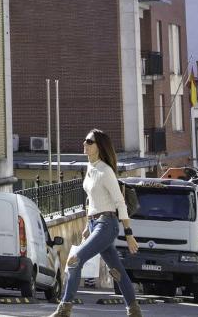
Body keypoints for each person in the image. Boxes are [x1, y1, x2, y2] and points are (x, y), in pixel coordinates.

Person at [49, 129, 141, 317]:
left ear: (99, 146)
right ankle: (134, 311)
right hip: (94, 224)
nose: (85, 144)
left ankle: (64, 310)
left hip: (107, 224)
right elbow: (91, 200)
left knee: (75, 261)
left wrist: (129, 234)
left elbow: (120, 203)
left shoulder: (105, 171)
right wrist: (86, 227)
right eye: (85, 141)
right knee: (116, 271)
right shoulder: (90, 168)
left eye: (89, 141)